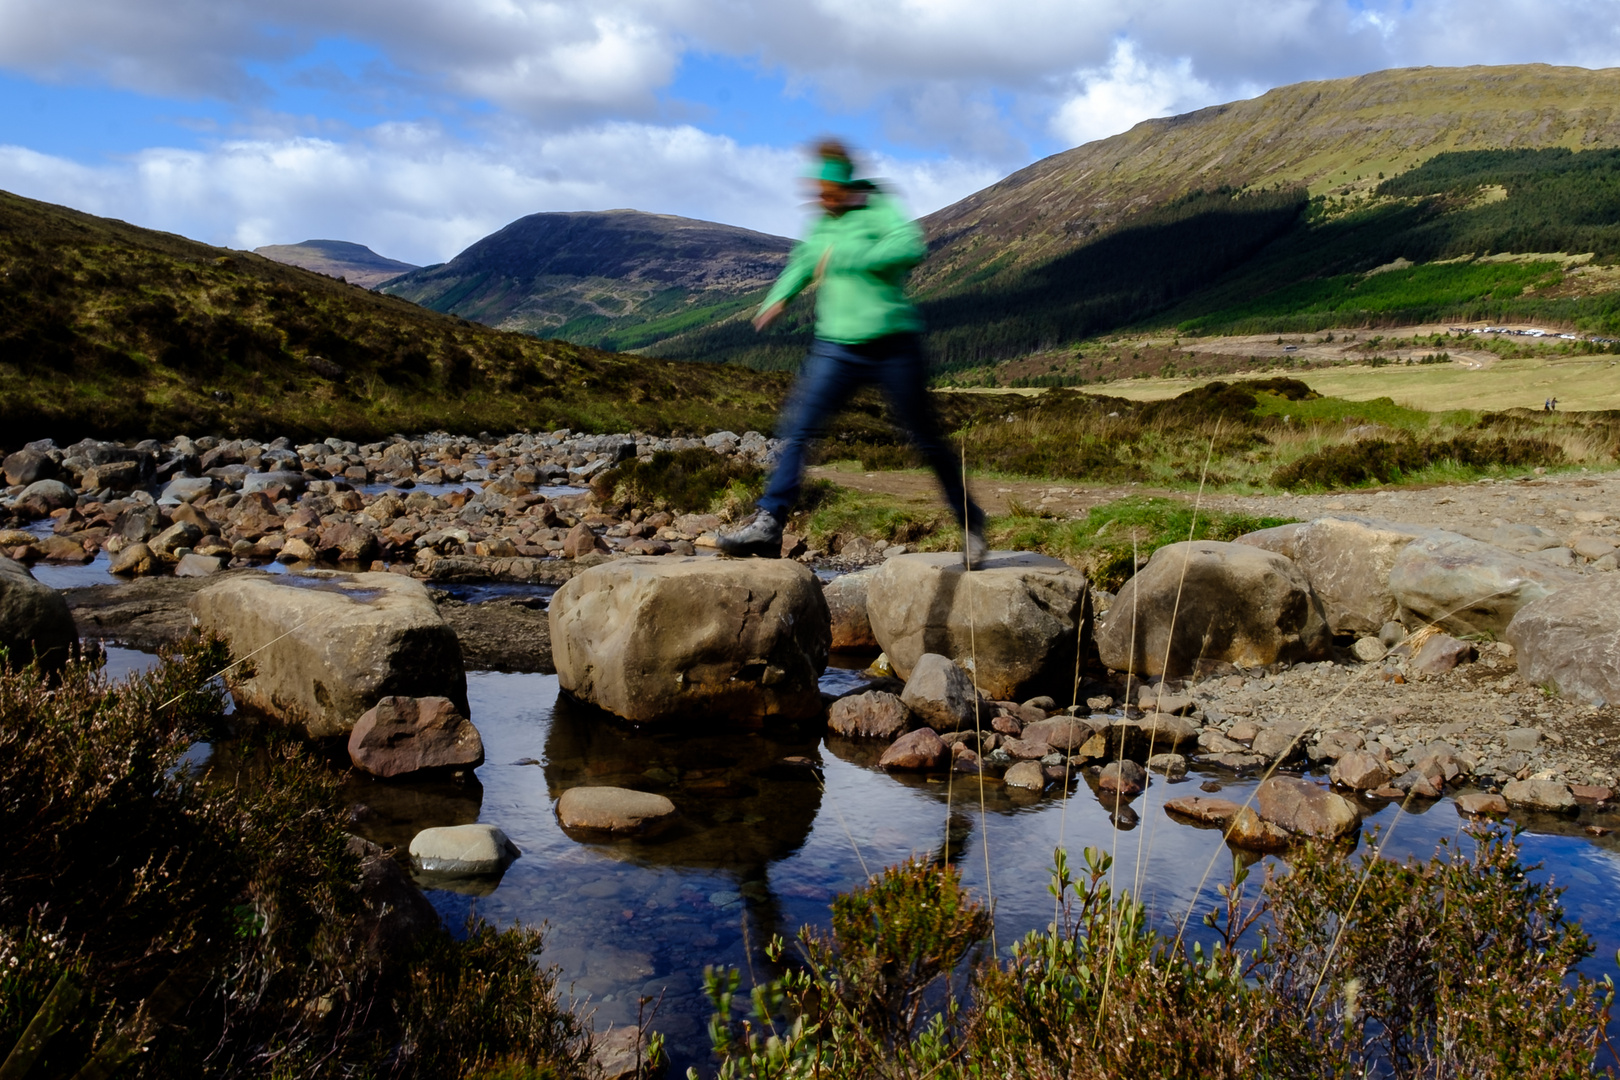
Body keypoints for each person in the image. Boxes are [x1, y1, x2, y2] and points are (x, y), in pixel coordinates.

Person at [716, 140, 988, 567]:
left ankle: (972, 526)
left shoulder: (878, 206)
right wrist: (778, 297)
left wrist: (850, 255)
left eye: (828, 190)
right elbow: (803, 262)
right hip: (836, 347)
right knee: (799, 430)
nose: (821, 199)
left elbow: (910, 246)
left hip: (893, 343)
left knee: (926, 440)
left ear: (844, 185)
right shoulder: (822, 223)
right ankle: (769, 524)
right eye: (817, 191)